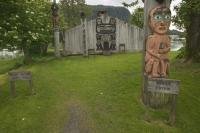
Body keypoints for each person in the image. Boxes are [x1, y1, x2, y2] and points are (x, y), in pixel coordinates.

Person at [145, 6, 171, 78]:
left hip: (162, 55)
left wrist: (163, 50)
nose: (162, 22)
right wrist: (156, 54)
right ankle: (154, 72)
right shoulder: (151, 38)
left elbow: (168, 47)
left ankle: (163, 72)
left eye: (167, 17)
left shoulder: (167, 38)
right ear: (150, 22)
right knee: (156, 60)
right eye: (157, 18)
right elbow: (148, 49)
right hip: (153, 56)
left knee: (164, 60)